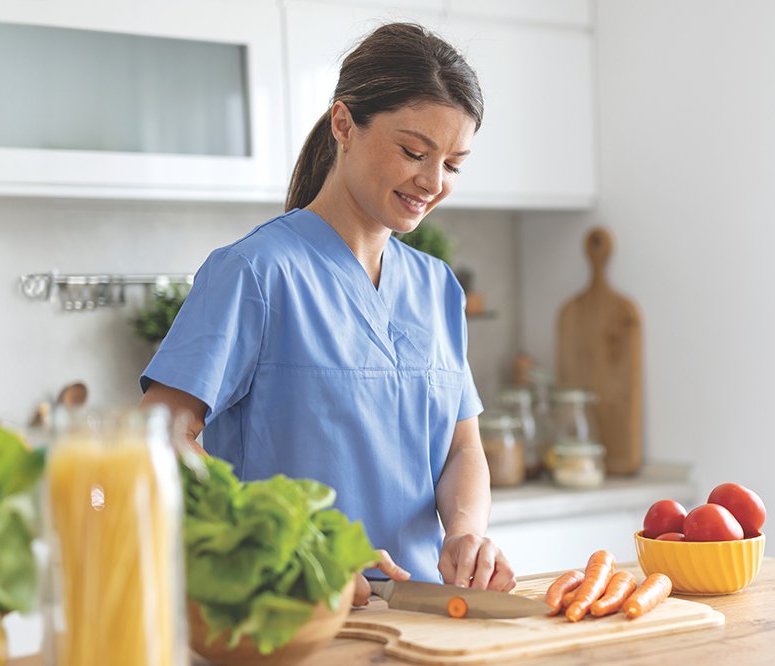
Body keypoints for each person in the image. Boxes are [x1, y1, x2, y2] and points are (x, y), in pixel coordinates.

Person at [140, 22, 513, 602]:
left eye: (454, 164)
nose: (433, 182)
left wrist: (467, 532)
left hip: (422, 620)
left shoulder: (437, 287)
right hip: (286, 614)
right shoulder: (255, 272)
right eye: (414, 152)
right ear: (344, 124)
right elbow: (158, 435)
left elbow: (462, 449)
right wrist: (293, 546)